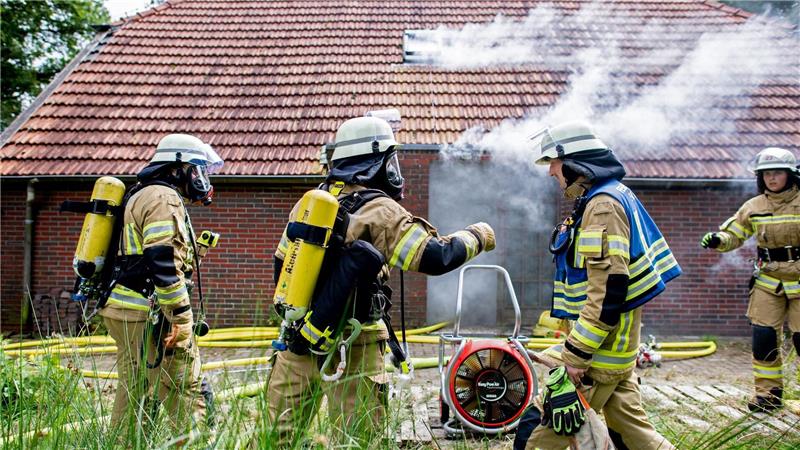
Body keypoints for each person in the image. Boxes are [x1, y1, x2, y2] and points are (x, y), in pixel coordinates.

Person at [265, 116, 496, 446]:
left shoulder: (309, 204)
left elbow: (281, 266)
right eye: (391, 160)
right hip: (354, 345)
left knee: (278, 437)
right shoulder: (380, 209)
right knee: (357, 438)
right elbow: (435, 256)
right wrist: (478, 235)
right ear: (375, 162)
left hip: (297, 337)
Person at [516, 121, 680, 450]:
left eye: (554, 163)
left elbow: (608, 291)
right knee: (634, 437)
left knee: (533, 436)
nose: (550, 172)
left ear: (576, 163)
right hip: (615, 351)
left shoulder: (602, 207)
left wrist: (575, 356)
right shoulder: (612, 196)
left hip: (597, 356)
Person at [100, 133, 222, 442]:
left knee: (134, 393)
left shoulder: (141, 194)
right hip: (150, 316)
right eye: (198, 170)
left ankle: (124, 444)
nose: (201, 178)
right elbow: (162, 264)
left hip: (123, 310)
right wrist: (181, 319)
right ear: (177, 168)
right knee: (184, 389)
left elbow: (148, 254)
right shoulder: (163, 198)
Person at [700, 147, 800, 413]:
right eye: (766, 173)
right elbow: (734, 233)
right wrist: (718, 240)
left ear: (790, 174)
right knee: (763, 339)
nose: (771, 178)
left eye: (777, 172)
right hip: (769, 281)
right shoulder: (754, 206)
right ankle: (768, 395)